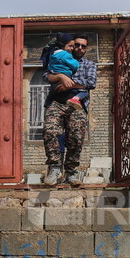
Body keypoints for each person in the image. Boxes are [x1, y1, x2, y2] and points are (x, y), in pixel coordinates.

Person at [42, 34, 98, 186]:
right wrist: (60, 76)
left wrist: (70, 83)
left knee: (76, 137)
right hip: (56, 102)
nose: (79, 48)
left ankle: (71, 172)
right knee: (50, 131)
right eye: (77, 45)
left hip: (77, 103)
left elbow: (91, 83)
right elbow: (46, 76)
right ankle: (54, 168)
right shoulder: (60, 56)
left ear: (86, 49)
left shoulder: (89, 65)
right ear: (72, 45)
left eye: (83, 46)